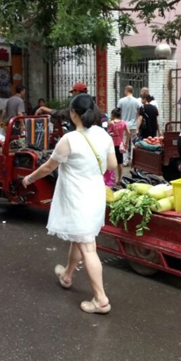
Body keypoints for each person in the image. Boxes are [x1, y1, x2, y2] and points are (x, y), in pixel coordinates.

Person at [22, 94, 116, 314]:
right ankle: (67, 275)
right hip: (95, 195)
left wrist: (29, 178)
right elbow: (112, 164)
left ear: (73, 114)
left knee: (88, 247)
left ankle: (101, 300)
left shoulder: (69, 140)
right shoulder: (103, 134)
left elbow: (48, 167)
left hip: (77, 198)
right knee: (80, 238)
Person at [36, 82, 103, 128]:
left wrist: (43, 108)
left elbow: (60, 113)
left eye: (72, 92)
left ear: (76, 92)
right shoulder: (96, 107)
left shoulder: (77, 107)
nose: (72, 94)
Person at [117, 86, 141, 165]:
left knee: (125, 142)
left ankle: (125, 161)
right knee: (133, 143)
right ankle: (134, 160)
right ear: (132, 91)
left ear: (126, 91)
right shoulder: (137, 101)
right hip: (134, 125)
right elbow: (139, 114)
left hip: (124, 125)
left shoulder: (121, 101)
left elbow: (118, 113)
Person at [108, 107, 131, 185]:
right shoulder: (123, 123)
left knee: (111, 162)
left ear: (113, 115)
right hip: (120, 145)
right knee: (120, 162)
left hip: (112, 145)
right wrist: (126, 142)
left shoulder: (112, 123)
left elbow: (108, 133)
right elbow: (128, 132)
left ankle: (113, 178)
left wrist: (108, 125)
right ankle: (120, 178)